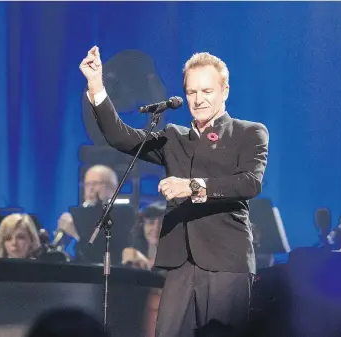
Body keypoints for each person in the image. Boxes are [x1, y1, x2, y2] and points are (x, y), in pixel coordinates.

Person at [79, 46, 269, 337]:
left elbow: (249, 183)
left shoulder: (250, 132)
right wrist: (96, 85)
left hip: (226, 261)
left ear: (224, 90)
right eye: (192, 92)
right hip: (180, 262)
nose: (198, 99)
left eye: (207, 91)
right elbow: (121, 136)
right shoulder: (174, 137)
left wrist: (192, 186)